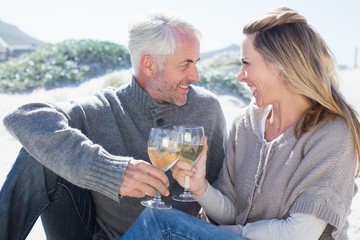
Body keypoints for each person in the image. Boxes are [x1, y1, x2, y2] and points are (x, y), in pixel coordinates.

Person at [119, 7, 360, 240]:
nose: (240, 76)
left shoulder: (332, 135)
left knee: (160, 223)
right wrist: (200, 187)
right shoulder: (246, 124)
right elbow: (233, 213)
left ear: (281, 67)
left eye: (247, 63)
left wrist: (224, 233)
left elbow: (299, 233)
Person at [0, 9, 228, 240]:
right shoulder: (103, 107)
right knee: (36, 155)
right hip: (93, 234)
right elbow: (23, 117)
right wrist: (111, 172)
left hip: (169, 234)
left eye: (196, 62)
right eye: (185, 64)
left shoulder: (206, 109)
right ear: (148, 64)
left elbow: (223, 200)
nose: (196, 75)